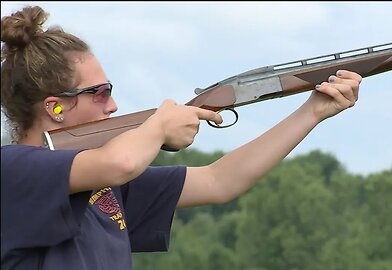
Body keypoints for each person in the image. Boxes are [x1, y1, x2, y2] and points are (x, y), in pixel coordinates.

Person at [0, 5, 362, 270]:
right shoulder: (13, 169)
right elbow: (121, 162)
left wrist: (312, 111)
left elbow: (220, 181)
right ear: (55, 107)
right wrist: (160, 124)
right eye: (99, 92)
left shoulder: (102, 188)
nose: (112, 105)